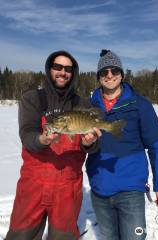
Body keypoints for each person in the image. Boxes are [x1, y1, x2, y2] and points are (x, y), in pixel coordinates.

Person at [5, 50, 101, 240]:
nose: (62, 72)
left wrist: (89, 143)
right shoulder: (32, 99)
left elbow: (93, 146)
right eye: (57, 67)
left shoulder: (82, 103)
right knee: (21, 235)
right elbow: (27, 134)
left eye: (68, 69)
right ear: (49, 69)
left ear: (73, 73)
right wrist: (41, 140)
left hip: (67, 189)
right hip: (33, 186)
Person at [85, 49, 158, 240]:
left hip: (131, 190)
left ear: (121, 74)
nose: (109, 75)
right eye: (104, 72)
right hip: (99, 190)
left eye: (114, 70)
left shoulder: (140, 104)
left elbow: (157, 145)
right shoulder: (89, 106)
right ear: (99, 77)